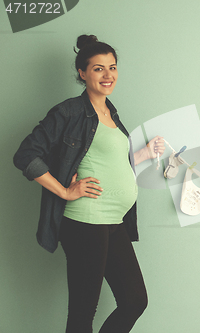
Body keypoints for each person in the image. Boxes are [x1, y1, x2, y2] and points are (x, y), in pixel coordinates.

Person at [13, 35, 165, 333]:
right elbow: (26, 155)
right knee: (83, 312)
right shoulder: (69, 111)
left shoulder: (112, 114)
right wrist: (65, 190)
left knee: (134, 301)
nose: (108, 75)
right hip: (85, 221)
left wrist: (144, 154)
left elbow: (106, 159)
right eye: (98, 69)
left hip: (113, 220)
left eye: (112, 67)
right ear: (82, 73)